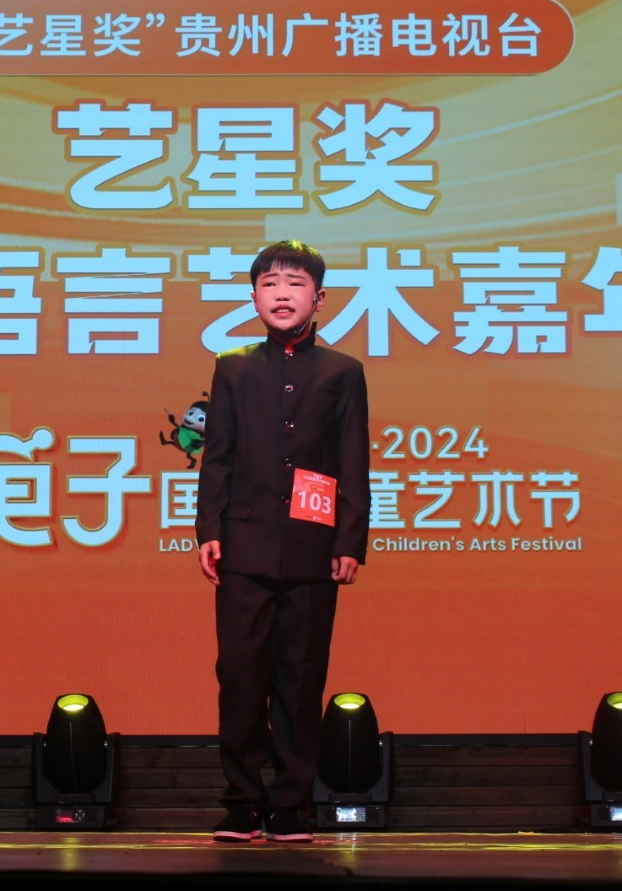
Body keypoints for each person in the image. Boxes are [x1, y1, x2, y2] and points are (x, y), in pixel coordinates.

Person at [195, 240, 370, 844]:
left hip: (313, 545)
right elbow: (217, 457)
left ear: (319, 299)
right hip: (243, 545)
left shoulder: (342, 372)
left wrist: (350, 539)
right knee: (241, 674)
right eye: (269, 284)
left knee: (301, 677)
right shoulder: (233, 366)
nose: (282, 294)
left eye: (295, 284)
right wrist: (210, 530)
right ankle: (242, 801)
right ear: (254, 299)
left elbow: (352, 459)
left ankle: (290, 805)